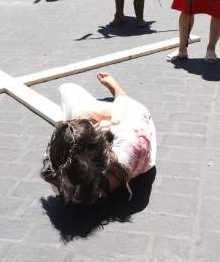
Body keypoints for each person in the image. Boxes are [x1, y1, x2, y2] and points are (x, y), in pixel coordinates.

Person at [41, 71, 156, 205]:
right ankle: (116, 89)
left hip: (99, 170)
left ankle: (101, 109)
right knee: (70, 89)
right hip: (133, 146)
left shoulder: (64, 178)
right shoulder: (133, 142)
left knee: (67, 92)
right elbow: (133, 108)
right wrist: (105, 113)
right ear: (101, 144)